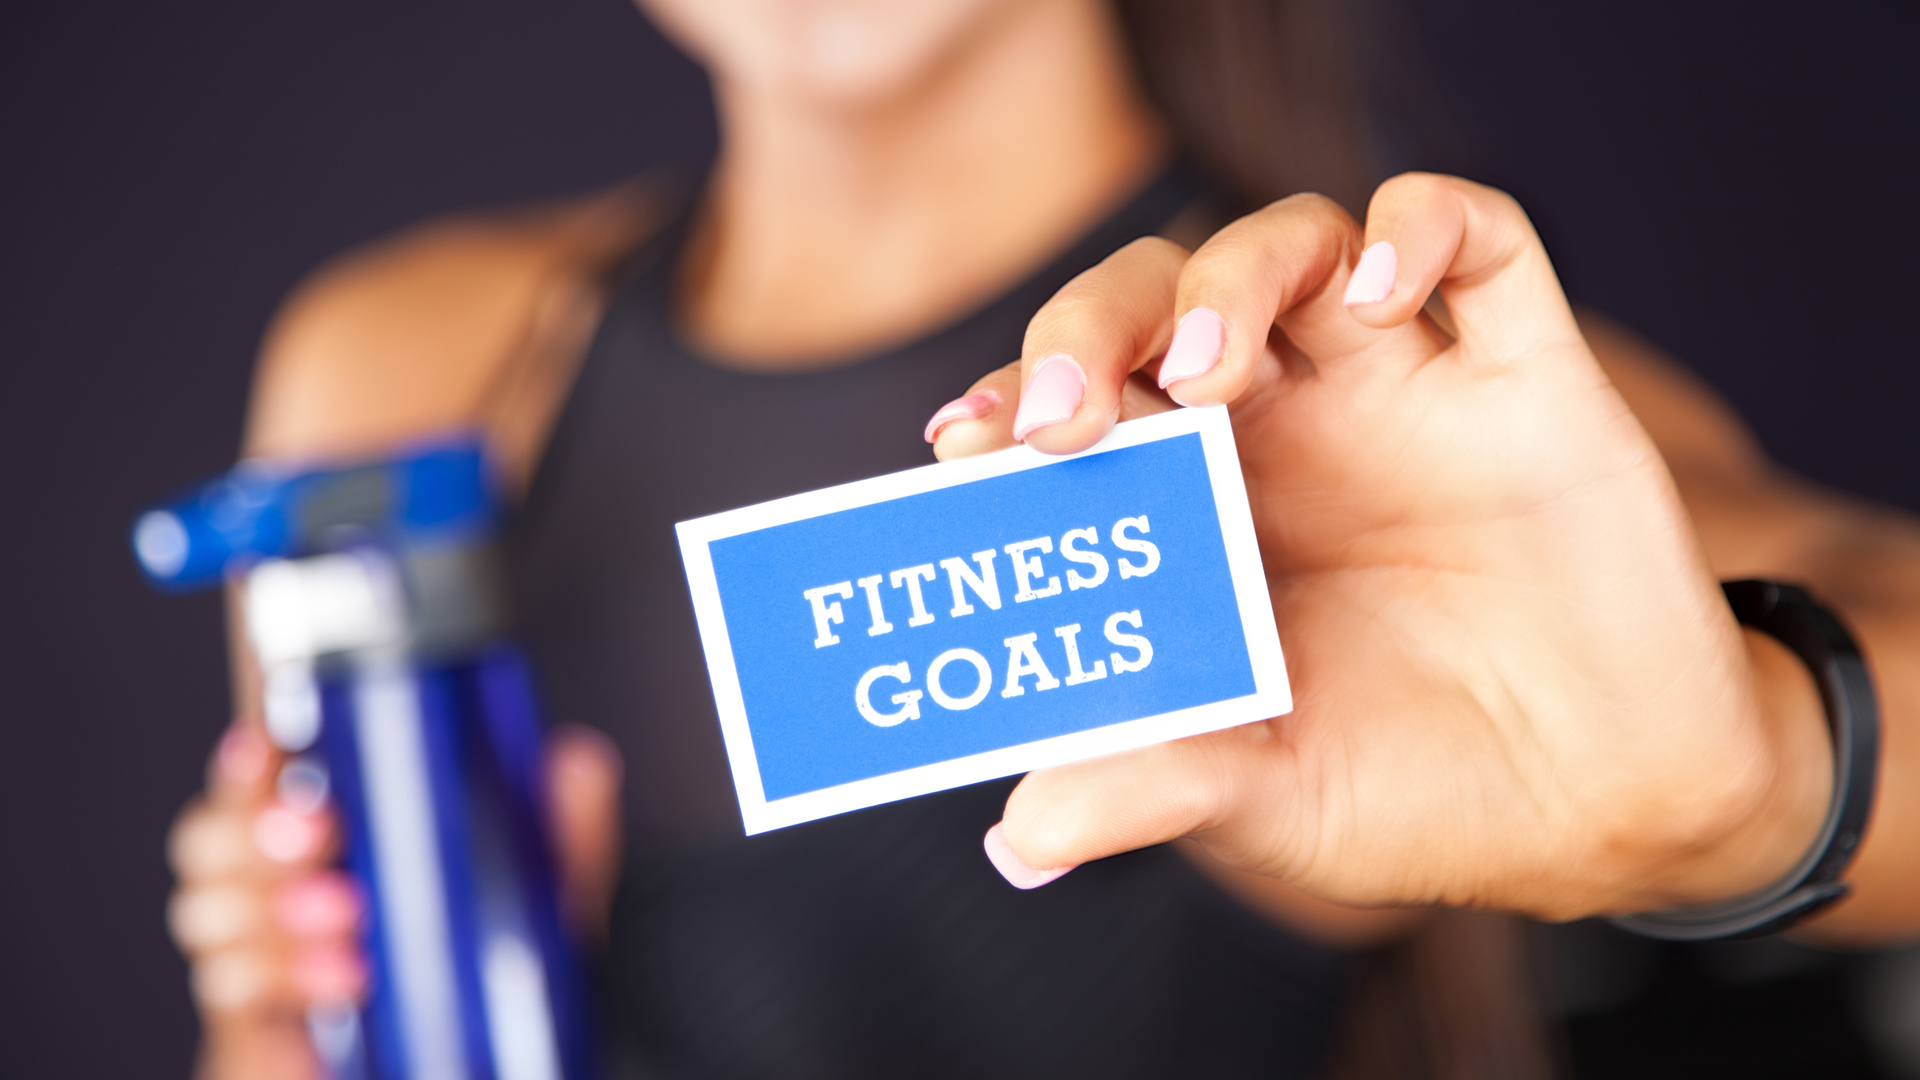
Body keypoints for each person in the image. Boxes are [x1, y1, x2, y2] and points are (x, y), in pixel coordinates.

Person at [163, 0, 1920, 1076]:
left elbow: (1853, 611)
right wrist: (286, 1024)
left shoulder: (1367, 392)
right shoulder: (402, 368)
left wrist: (1749, 779)